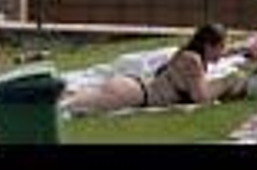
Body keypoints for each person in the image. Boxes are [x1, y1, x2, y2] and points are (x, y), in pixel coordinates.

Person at [60, 24, 244, 115]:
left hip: (132, 87)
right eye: (221, 47)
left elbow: (222, 57)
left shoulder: (188, 53)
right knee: (66, 107)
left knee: (69, 102)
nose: (223, 53)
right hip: (133, 93)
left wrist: (243, 49)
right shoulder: (193, 61)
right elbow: (201, 98)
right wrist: (226, 82)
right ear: (209, 46)